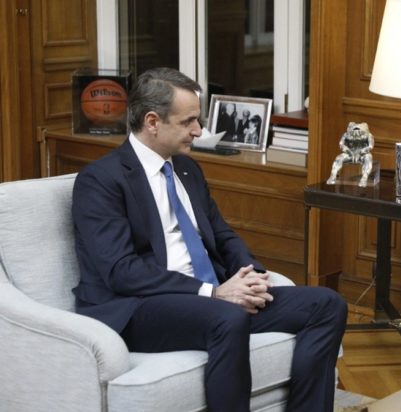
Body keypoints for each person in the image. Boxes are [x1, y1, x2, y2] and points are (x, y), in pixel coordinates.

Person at [71, 67, 347, 412]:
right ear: (153, 121)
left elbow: (222, 234)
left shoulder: (187, 169)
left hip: (210, 298)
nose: (199, 131)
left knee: (326, 305)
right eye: (188, 121)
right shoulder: (101, 180)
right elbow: (121, 271)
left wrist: (252, 276)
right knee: (227, 317)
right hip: (139, 307)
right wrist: (213, 293)